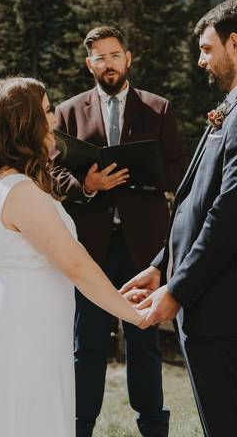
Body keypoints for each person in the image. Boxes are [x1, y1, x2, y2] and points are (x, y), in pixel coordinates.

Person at [121, 0, 237, 437]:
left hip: (224, 299)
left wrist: (178, 289)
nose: (202, 61)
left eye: (206, 49)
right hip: (211, 297)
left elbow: (231, 214)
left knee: (231, 424)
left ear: (234, 43)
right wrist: (162, 265)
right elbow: (196, 203)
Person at [0, 77, 151, 437]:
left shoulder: (4, 182)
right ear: (25, 123)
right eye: (46, 111)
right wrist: (135, 316)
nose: (54, 119)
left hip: (26, 329)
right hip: (24, 338)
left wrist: (118, 297)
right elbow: (74, 264)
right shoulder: (21, 192)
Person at [52, 26, 186, 437]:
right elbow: (52, 173)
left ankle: (152, 427)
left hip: (143, 247)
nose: (108, 64)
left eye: (114, 55)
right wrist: (86, 186)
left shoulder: (158, 109)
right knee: (87, 342)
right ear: (88, 63)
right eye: (99, 57)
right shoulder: (68, 111)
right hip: (89, 249)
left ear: (128, 58)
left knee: (143, 340)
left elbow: (180, 171)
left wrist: (143, 177)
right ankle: (80, 427)